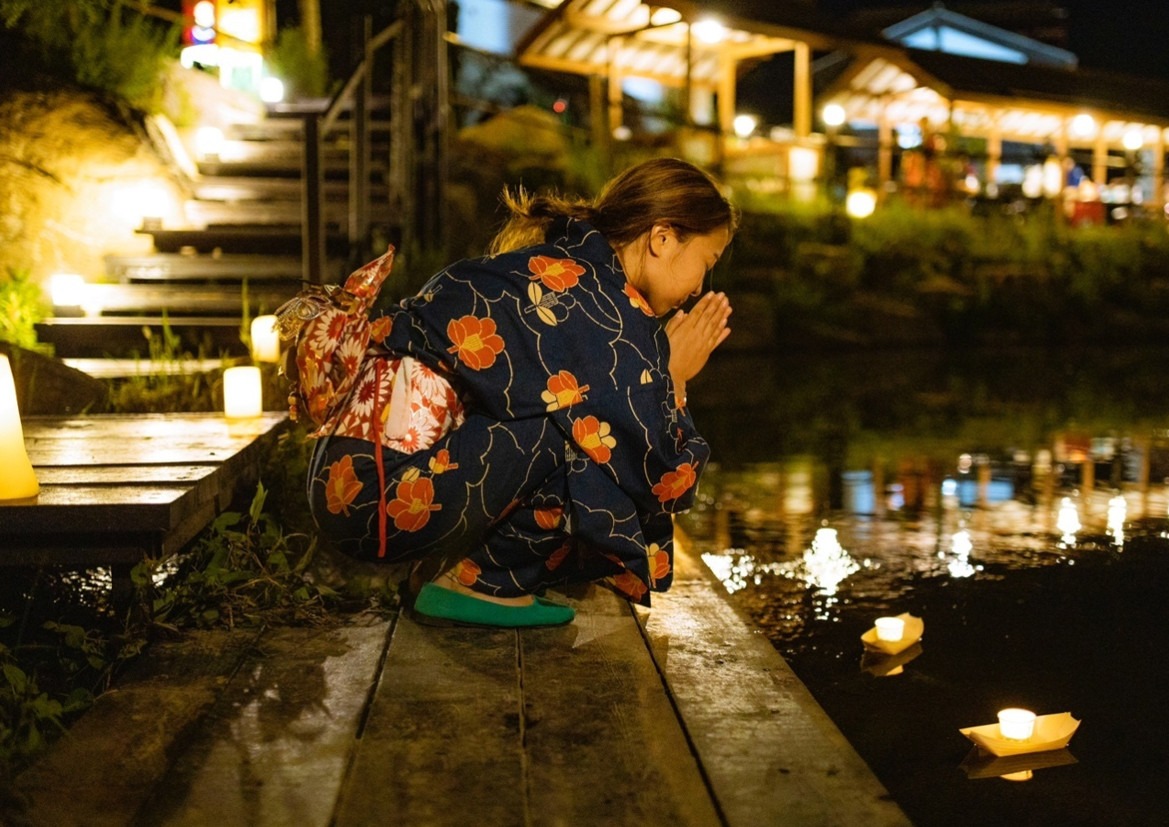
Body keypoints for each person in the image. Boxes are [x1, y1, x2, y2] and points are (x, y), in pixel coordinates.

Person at [292, 157, 737, 628]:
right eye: (706, 264)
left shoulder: (560, 271)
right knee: (586, 431)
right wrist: (672, 378)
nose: (699, 288)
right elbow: (663, 473)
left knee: (577, 413)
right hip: (378, 502)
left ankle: (453, 570)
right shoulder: (604, 312)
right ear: (662, 238)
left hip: (353, 485)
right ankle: (481, 581)